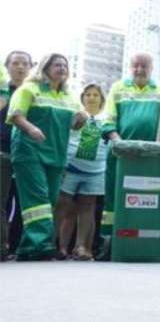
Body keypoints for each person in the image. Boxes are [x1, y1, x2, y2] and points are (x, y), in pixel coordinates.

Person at [6, 54, 86, 261]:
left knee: (49, 200)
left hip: (56, 153)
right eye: (57, 65)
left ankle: (28, 246)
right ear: (45, 68)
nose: (62, 68)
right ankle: (40, 245)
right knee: (38, 198)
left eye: (65, 65)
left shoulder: (69, 96)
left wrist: (81, 120)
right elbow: (15, 115)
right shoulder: (28, 89)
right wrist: (31, 129)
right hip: (29, 151)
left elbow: (74, 125)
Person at [99, 53, 160, 260]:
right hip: (121, 153)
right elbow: (109, 119)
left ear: (152, 68)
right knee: (116, 197)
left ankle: (150, 233)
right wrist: (118, 141)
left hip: (151, 155)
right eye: (136, 66)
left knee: (150, 196)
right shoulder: (118, 87)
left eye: (144, 66)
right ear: (129, 67)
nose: (139, 70)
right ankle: (109, 238)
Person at [55, 83, 109, 261]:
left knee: (88, 207)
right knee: (65, 206)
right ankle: (60, 247)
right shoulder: (75, 115)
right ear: (82, 98)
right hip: (72, 167)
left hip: (96, 170)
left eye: (96, 95)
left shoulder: (108, 119)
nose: (91, 98)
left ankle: (82, 247)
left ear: (102, 99)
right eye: (87, 94)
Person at [1, 51, 33, 261]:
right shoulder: (3, 91)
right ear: (7, 66)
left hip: (27, 154)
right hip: (2, 151)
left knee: (24, 204)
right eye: (15, 63)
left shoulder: (35, 92)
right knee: (3, 201)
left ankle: (18, 246)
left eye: (24, 63)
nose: (20, 67)